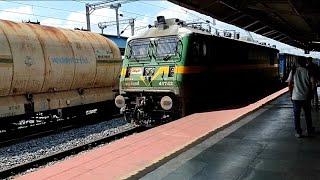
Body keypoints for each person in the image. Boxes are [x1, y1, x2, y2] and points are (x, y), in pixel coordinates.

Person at [287, 57, 315, 138]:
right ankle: (309, 130)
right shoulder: (308, 71)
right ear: (304, 62)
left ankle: (298, 132)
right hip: (306, 97)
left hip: (296, 97)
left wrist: (291, 93)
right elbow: (313, 83)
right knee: (308, 114)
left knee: (296, 115)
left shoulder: (293, 71)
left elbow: (289, 84)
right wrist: (311, 93)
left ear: (297, 63)